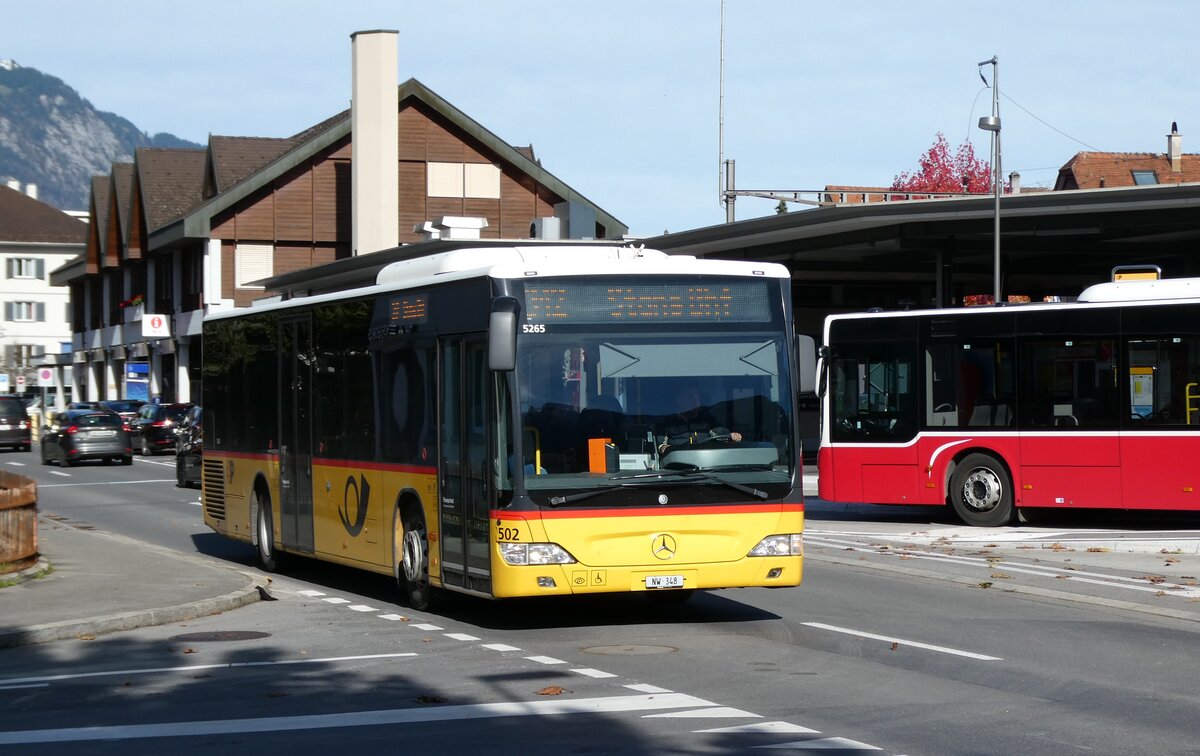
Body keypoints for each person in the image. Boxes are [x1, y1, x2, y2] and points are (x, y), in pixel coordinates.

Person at [658, 385, 741, 454]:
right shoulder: (667, 422)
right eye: (689, 397)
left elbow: (720, 432)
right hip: (676, 467)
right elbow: (660, 445)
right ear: (678, 399)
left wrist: (730, 435)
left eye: (696, 397)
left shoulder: (706, 420)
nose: (694, 400)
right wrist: (665, 448)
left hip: (705, 464)